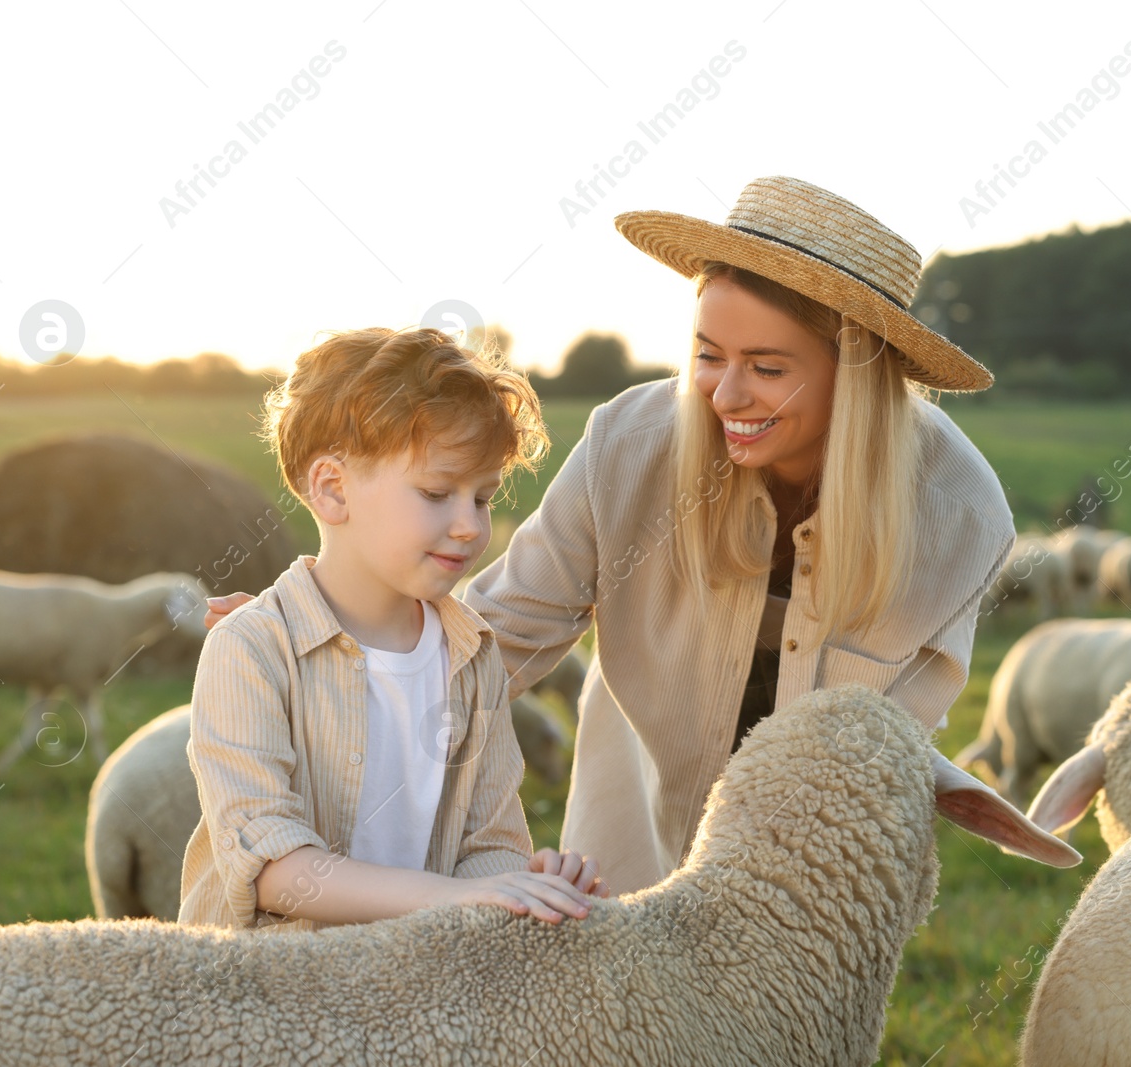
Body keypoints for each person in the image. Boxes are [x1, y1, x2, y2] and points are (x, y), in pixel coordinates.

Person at [207, 176, 1016, 896]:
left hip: (809, 868)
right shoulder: (631, 447)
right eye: (707, 355)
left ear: (859, 370)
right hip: (638, 825)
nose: (726, 393)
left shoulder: (957, 517)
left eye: (768, 368)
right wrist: (325, 635)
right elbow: (506, 629)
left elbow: (887, 736)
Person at [178, 326, 607, 934]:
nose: (468, 526)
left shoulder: (472, 655)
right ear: (332, 489)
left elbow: (489, 846)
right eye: (436, 492)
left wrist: (519, 885)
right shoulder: (251, 648)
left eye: (483, 498)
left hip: (410, 1000)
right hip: (265, 1003)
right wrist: (456, 897)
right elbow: (275, 872)